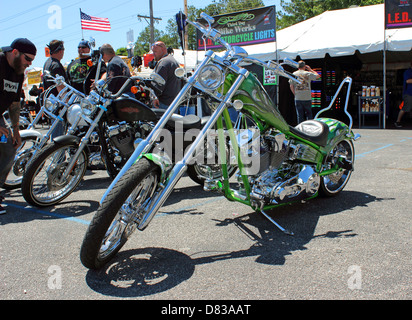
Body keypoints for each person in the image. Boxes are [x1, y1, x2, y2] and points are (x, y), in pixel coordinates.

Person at [0, 38, 37, 214]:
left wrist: (15, 130)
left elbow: (14, 103)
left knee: (9, 146)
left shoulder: (18, 71)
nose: (29, 63)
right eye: (27, 59)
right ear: (15, 52)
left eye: (32, 61)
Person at [42, 40, 68, 138]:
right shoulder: (56, 65)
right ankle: (58, 154)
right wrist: (68, 103)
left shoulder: (47, 63)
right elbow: (60, 87)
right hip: (58, 106)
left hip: (50, 103)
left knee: (55, 133)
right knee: (59, 137)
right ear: (60, 51)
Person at [151, 41, 181, 110]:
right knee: (175, 121)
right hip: (174, 103)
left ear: (163, 50)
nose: (153, 54)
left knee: (159, 121)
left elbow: (158, 86)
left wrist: (154, 97)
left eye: (155, 51)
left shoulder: (163, 63)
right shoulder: (173, 60)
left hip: (163, 104)